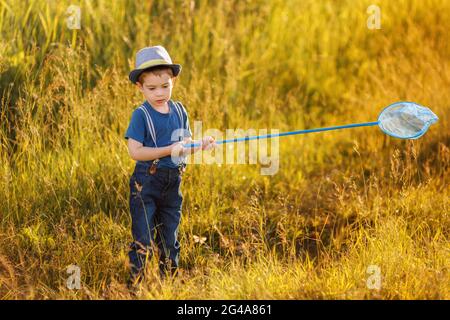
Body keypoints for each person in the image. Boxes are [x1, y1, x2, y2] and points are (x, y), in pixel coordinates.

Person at [124, 45, 216, 286]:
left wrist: (200, 144)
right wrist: (168, 150)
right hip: (146, 183)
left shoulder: (178, 110)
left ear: (173, 80)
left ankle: (169, 285)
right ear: (140, 87)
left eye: (165, 86)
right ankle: (137, 287)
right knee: (143, 238)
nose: (159, 93)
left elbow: (183, 143)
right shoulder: (141, 115)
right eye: (152, 88)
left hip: (172, 182)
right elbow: (135, 151)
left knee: (169, 237)